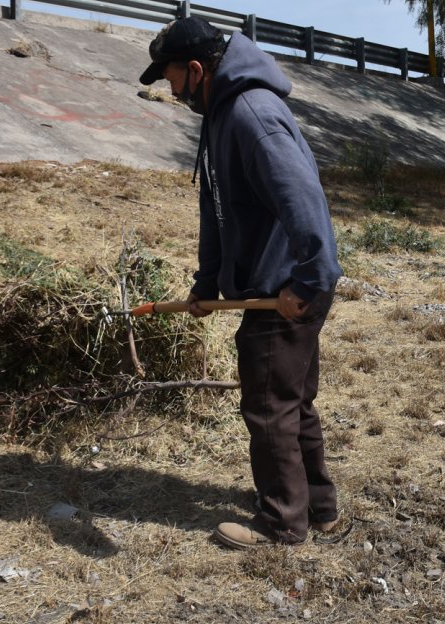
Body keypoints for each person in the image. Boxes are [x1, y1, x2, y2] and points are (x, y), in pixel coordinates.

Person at [139, 17, 343, 548]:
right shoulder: (220, 114)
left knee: (270, 405)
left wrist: (310, 280)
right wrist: (208, 282)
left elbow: (304, 199)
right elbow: (218, 208)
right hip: (267, 284)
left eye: (171, 77)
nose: (171, 88)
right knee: (292, 400)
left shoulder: (252, 114)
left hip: (282, 292)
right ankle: (318, 508)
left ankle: (281, 523)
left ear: (198, 69)